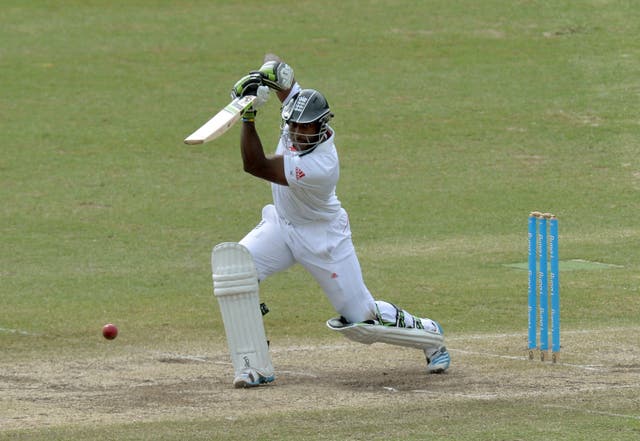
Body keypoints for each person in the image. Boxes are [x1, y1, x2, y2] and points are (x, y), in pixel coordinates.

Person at [228, 54, 450, 386]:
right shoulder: (296, 118)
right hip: (283, 225)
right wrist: (266, 76)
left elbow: (255, 165)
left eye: (306, 128)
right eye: (292, 125)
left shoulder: (320, 167)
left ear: (322, 126)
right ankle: (254, 364)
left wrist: (248, 114)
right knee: (236, 268)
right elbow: (278, 69)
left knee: (361, 321)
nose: (298, 133)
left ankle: (430, 335)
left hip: (322, 239)